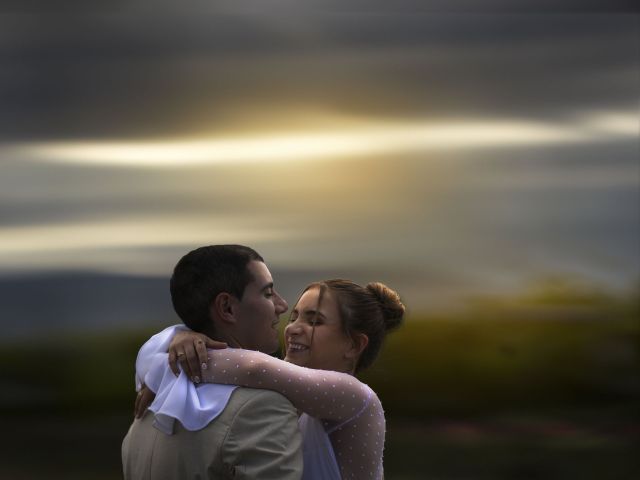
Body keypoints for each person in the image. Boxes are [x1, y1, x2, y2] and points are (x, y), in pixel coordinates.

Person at [137, 277, 405, 479]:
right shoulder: (286, 394)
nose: (293, 329)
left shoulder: (356, 397)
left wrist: (170, 360)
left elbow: (253, 368)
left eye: (314, 321)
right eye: (294, 316)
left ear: (354, 345)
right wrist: (184, 340)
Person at [122, 245, 304, 480]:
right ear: (227, 308)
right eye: (268, 294)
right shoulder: (260, 408)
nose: (282, 305)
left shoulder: (150, 408)